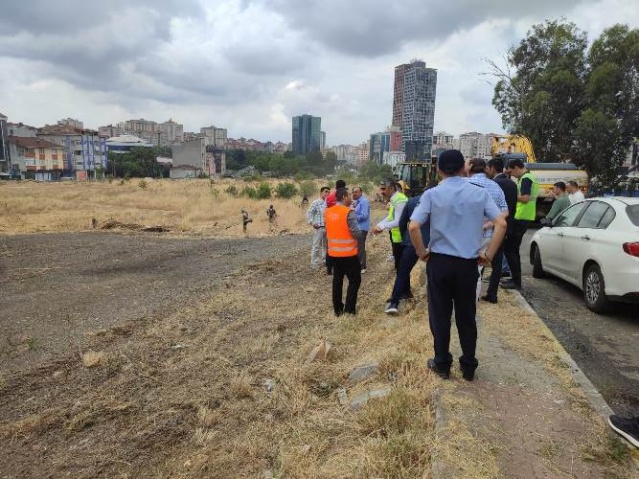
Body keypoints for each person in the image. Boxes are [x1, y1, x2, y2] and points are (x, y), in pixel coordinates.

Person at [409, 149, 507, 381]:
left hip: (439, 262)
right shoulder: (479, 193)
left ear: (439, 170)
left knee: (440, 315)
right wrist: (488, 255)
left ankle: (442, 364)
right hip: (467, 264)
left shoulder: (432, 194)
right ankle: (469, 365)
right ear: (464, 169)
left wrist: (422, 253)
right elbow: (500, 223)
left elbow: (413, 226)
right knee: (467, 316)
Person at [466, 158, 508, 302]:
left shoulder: (464, 185)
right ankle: (472, 303)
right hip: (486, 236)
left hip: (463, 235)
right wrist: (489, 224)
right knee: (476, 271)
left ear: (470, 167)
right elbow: (505, 212)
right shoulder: (495, 187)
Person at [385, 194, 430, 314]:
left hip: (411, 241)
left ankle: (394, 303)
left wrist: (406, 236)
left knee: (402, 272)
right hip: (432, 243)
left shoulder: (411, 201)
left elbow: (402, 222)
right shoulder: (440, 200)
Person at [484, 158, 518, 303]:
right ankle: (493, 294)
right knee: (498, 263)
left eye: (488, 168)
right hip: (507, 226)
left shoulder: (494, 185)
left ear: (492, 168)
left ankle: (479, 291)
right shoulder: (512, 184)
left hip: (493, 228)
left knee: (484, 259)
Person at [501, 159, 538, 290]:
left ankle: (516, 281)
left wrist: (511, 196)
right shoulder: (529, 177)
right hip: (524, 217)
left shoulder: (526, 179)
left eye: (511, 172)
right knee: (513, 250)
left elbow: (525, 198)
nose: (512, 175)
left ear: (516, 167)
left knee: (510, 249)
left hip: (520, 217)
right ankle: (515, 279)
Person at [325, 187, 361, 316]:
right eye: (349, 195)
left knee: (337, 280)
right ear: (345, 197)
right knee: (355, 280)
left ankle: (338, 309)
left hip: (333, 253)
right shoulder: (349, 212)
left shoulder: (328, 212)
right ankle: (349, 310)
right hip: (348, 253)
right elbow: (356, 233)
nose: (351, 197)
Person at [371, 178, 408, 272]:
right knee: (398, 267)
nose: (381, 192)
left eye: (383, 189)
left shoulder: (400, 199)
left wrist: (382, 227)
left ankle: (402, 286)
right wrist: (379, 225)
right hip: (396, 237)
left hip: (402, 239)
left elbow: (399, 221)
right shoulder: (394, 200)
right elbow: (390, 217)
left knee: (401, 269)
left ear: (391, 188)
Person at [325, 180, 346, 275]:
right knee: (343, 246)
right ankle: (341, 268)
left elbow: (325, 210)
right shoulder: (345, 196)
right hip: (342, 224)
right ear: (344, 186)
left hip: (331, 224)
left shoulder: (329, 197)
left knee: (330, 246)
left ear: (336, 186)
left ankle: (329, 268)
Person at [306, 186, 330, 270]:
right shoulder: (316, 202)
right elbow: (309, 212)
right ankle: (314, 264)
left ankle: (325, 261)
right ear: (321, 193)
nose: (327, 194)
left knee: (326, 246)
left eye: (328, 192)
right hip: (319, 228)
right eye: (326, 192)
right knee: (316, 246)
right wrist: (312, 222)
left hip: (327, 228)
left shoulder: (328, 203)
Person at [351, 186, 370, 273]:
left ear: (361, 192)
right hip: (358, 227)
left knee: (360, 247)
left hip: (362, 227)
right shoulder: (357, 202)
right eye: (353, 192)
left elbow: (365, 215)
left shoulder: (364, 201)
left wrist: (353, 217)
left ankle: (362, 267)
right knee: (358, 246)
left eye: (356, 192)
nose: (354, 193)